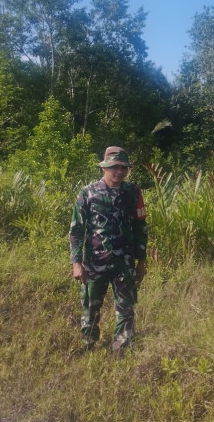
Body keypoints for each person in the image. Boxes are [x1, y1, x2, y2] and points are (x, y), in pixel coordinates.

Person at [69, 146, 148, 352]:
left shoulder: (133, 192)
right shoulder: (88, 193)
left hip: (125, 263)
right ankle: (88, 345)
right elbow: (76, 230)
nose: (119, 171)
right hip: (95, 263)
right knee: (90, 308)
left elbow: (140, 226)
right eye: (114, 167)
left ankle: (120, 350)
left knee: (126, 309)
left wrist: (142, 261)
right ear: (104, 167)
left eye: (123, 167)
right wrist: (76, 263)